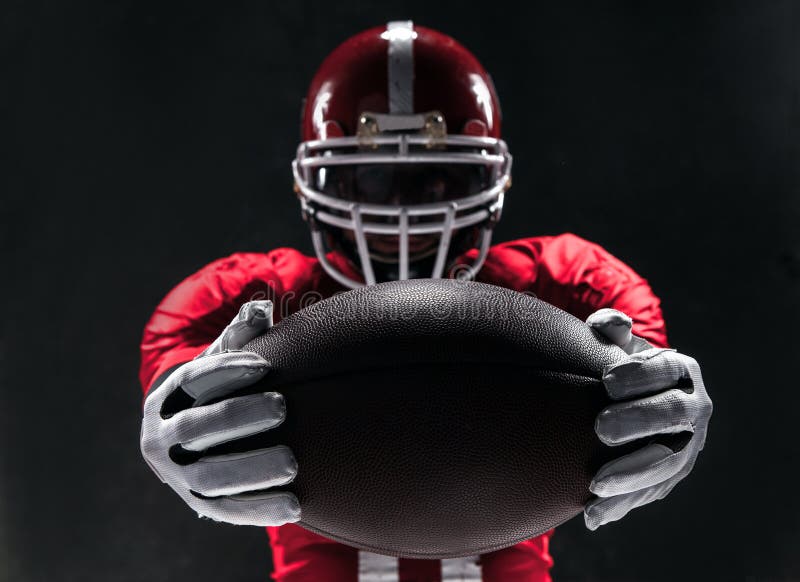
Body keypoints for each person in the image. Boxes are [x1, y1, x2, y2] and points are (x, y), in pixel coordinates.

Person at [138, 22, 712, 582]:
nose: (403, 208)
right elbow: (174, 394)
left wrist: (673, 409)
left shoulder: (569, 278)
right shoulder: (244, 302)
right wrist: (179, 422)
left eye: (434, 179)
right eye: (371, 180)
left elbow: (651, 387)